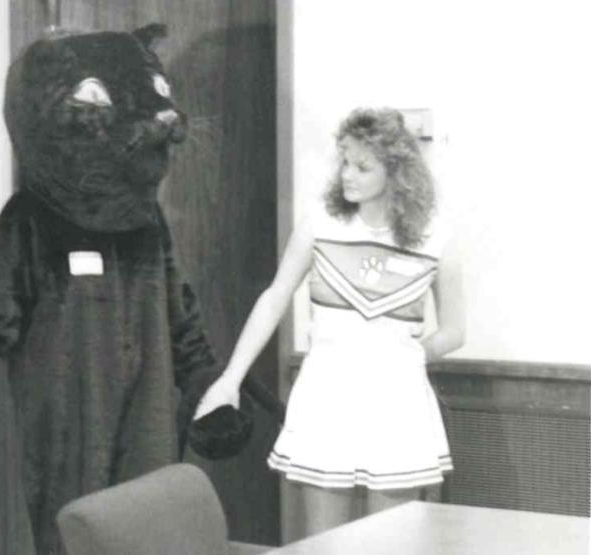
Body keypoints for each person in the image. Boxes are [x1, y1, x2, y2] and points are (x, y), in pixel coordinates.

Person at [194, 107, 466, 537]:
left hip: (398, 405)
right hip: (326, 397)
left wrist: (406, 357)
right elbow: (274, 298)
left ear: (395, 172)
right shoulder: (319, 227)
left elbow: (455, 332)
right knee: (325, 544)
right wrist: (230, 378)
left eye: (362, 165)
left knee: (391, 542)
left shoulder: (436, 240)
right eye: (344, 161)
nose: (347, 174)